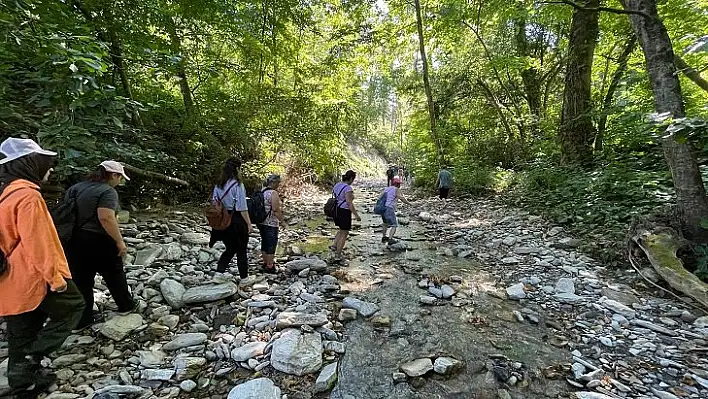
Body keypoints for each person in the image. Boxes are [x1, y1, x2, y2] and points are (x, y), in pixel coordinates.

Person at [0, 138, 85, 396]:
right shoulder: (27, 196)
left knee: (23, 328)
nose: (49, 169)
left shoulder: (5, 193)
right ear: (30, 164)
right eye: (45, 164)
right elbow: (38, 242)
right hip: (32, 274)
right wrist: (56, 278)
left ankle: (21, 383)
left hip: (8, 278)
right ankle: (30, 358)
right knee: (74, 306)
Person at [65, 160, 137, 331]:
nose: (120, 181)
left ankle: (83, 319)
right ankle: (126, 305)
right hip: (99, 239)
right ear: (113, 175)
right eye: (120, 177)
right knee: (114, 274)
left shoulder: (76, 188)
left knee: (81, 279)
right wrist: (120, 242)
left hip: (73, 238)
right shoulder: (107, 191)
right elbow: (106, 217)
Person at [209, 157, 253, 278]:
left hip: (223, 221)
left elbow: (214, 202)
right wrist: (249, 224)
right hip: (236, 220)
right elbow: (242, 207)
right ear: (237, 169)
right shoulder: (238, 184)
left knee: (230, 249)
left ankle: (219, 273)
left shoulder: (218, 184)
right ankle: (244, 278)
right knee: (241, 251)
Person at [331, 170, 361, 261]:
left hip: (336, 210)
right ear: (351, 178)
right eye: (353, 179)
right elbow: (349, 203)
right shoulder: (348, 188)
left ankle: (334, 245)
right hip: (344, 211)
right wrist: (356, 215)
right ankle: (338, 255)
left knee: (341, 229)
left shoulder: (337, 185)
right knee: (345, 233)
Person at [259, 174, 285, 273]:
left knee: (264, 242)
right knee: (271, 244)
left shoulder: (262, 191)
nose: (278, 185)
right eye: (278, 183)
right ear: (273, 182)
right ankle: (270, 266)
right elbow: (275, 209)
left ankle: (265, 263)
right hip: (271, 222)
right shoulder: (273, 193)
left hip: (261, 221)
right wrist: (282, 221)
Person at [380, 176, 412, 244]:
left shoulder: (386, 189)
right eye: (399, 184)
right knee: (394, 224)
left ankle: (384, 237)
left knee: (385, 223)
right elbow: (402, 198)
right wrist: (410, 204)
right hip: (389, 208)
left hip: (383, 208)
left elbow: (380, 198)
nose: (400, 185)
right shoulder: (396, 189)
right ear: (397, 184)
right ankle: (390, 239)